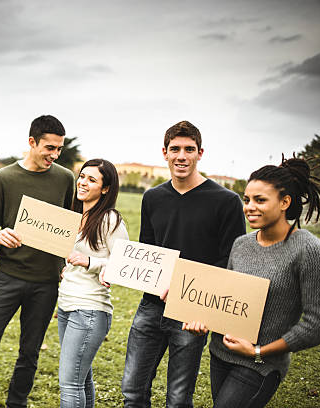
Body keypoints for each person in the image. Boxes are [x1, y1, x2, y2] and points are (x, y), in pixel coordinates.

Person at [120, 120, 246, 407]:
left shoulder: (226, 201)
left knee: (178, 400)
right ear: (164, 153)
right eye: (175, 149)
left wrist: (194, 299)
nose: (181, 156)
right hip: (151, 305)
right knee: (132, 391)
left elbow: (230, 261)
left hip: (192, 312)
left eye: (189, 149)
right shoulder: (152, 197)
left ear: (200, 153)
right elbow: (148, 249)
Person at [183, 156, 320, 408]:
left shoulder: (308, 249)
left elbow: (318, 324)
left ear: (285, 202)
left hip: (259, 365)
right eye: (247, 199)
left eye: (260, 200)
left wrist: (258, 352)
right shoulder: (241, 244)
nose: (249, 206)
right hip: (219, 355)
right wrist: (202, 319)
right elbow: (224, 301)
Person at [0, 115, 75, 408]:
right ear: (31, 142)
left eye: (59, 149)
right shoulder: (3, 179)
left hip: (46, 282)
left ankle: (17, 402)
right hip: (7, 277)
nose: (54, 155)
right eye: (49, 147)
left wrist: (64, 263)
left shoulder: (65, 179)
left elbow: (68, 227)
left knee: (30, 352)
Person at [58, 159, 129, 408]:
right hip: (67, 305)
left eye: (92, 179)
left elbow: (124, 264)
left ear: (106, 188)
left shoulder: (110, 220)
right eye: (82, 176)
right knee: (81, 378)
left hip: (89, 309)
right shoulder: (75, 215)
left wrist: (90, 262)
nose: (83, 183)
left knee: (69, 384)